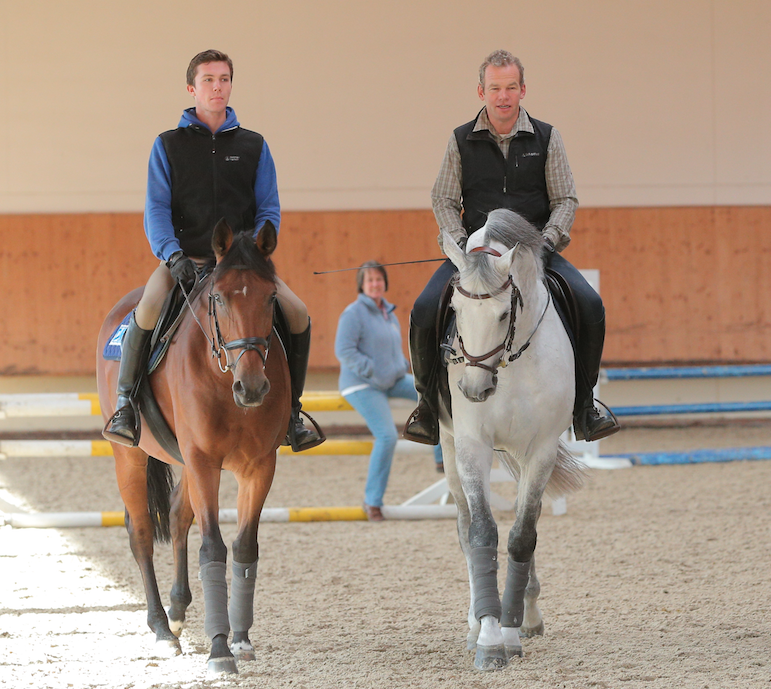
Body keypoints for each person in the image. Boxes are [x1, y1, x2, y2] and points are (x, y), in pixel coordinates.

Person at [102, 49, 324, 452]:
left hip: (241, 266)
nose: (217, 87)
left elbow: (268, 206)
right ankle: (126, 407)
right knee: (148, 307)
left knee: (297, 312)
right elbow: (156, 209)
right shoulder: (167, 145)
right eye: (208, 80)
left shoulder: (254, 145)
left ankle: (292, 412)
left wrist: (252, 253)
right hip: (185, 260)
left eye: (223, 79)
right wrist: (172, 256)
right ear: (192, 88)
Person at [403, 49, 619, 446]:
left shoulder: (547, 137)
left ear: (523, 90)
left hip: (535, 253)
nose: (503, 95)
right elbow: (444, 200)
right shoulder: (459, 140)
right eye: (495, 88)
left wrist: (547, 242)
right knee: (422, 309)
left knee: (590, 304)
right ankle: (427, 408)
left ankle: (585, 407)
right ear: (481, 91)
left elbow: (565, 200)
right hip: (476, 257)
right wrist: (461, 249)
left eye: (511, 87)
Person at [335, 262, 443, 521]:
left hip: (393, 380)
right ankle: (372, 502)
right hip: (362, 384)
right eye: (370, 280)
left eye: (379, 279)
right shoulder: (353, 313)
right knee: (387, 437)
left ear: (385, 283)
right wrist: (373, 370)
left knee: (435, 395)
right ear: (362, 284)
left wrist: (403, 366)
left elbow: (393, 349)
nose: (375, 284)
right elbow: (344, 351)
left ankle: (441, 459)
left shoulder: (389, 313)